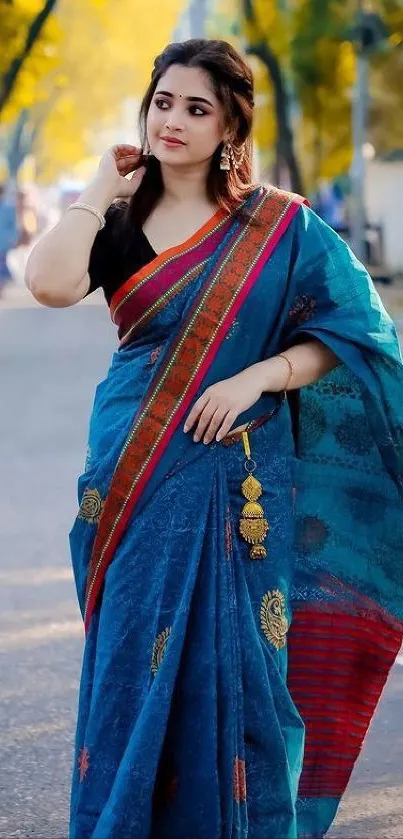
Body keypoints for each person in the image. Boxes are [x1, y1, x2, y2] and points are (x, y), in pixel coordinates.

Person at [25, 38, 403, 839]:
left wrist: (258, 376)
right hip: (130, 471)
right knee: (132, 655)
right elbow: (50, 282)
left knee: (241, 672)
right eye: (163, 102)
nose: (174, 120)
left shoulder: (282, 229)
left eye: (197, 108)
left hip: (239, 480)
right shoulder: (120, 222)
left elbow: (357, 335)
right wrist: (98, 185)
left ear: (230, 125)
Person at [0, 182, 18, 295]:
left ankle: (1, 286)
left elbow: (13, 224)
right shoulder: (9, 206)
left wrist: (13, 237)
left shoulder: (8, 207)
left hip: (3, 240)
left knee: (2, 262)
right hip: (4, 239)